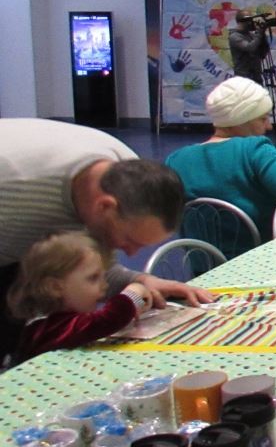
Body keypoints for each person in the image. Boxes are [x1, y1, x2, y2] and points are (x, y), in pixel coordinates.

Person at [0, 118, 208, 367]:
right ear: (105, 206)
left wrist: (140, 280)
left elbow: (83, 260)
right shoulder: (16, 191)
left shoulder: (126, 171)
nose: (132, 254)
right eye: (129, 240)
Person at [165, 77, 276, 249]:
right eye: (263, 119)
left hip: (205, 260)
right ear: (241, 119)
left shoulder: (176, 160)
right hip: (267, 256)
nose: (269, 126)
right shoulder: (253, 149)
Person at [8, 232, 161, 364]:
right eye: (93, 278)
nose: (104, 285)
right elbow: (107, 319)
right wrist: (134, 293)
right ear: (56, 287)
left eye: (103, 276)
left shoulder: (68, 319)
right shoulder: (47, 328)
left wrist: (138, 304)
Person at [226, 8, 273, 83]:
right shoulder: (234, 36)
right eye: (249, 20)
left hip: (256, 76)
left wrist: (263, 35)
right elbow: (249, 47)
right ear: (242, 22)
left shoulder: (252, 35)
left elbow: (263, 53)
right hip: (243, 78)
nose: (251, 23)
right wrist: (259, 33)